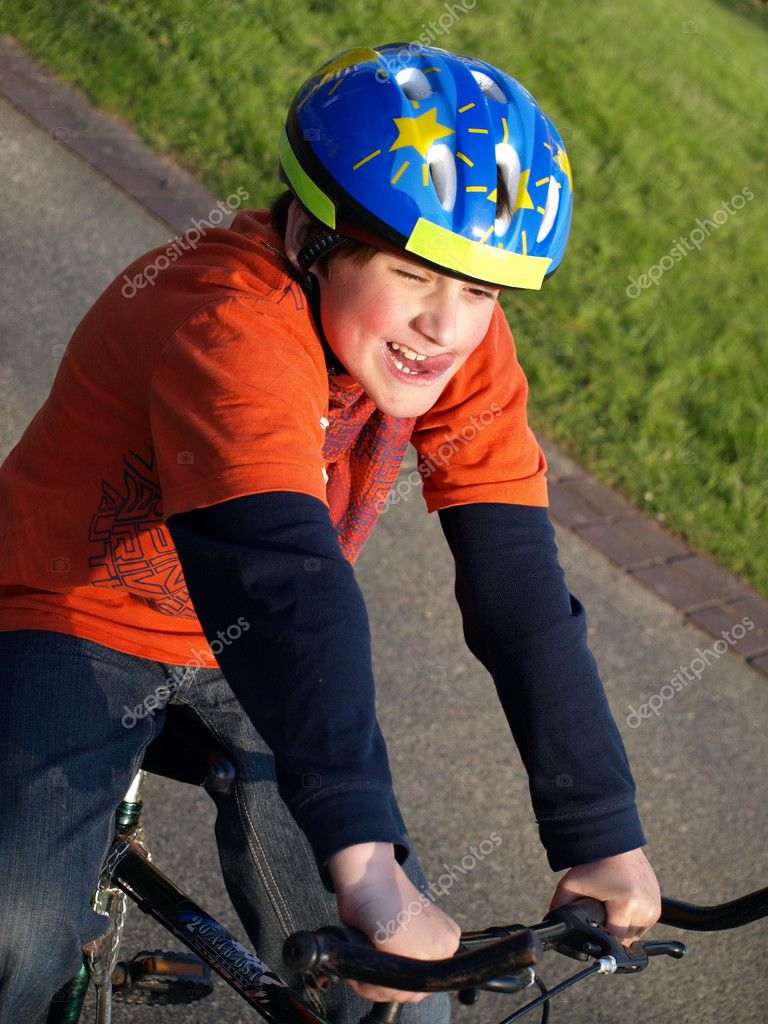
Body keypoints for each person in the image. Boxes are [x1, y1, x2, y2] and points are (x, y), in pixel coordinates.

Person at [0, 42, 660, 1023]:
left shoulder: (457, 351)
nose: (446, 326)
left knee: (399, 997)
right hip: (71, 617)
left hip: (250, 651)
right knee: (16, 933)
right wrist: (368, 862)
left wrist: (601, 832)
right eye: (413, 274)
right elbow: (287, 584)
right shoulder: (225, 317)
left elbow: (518, 586)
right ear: (313, 233)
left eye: (480, 291)